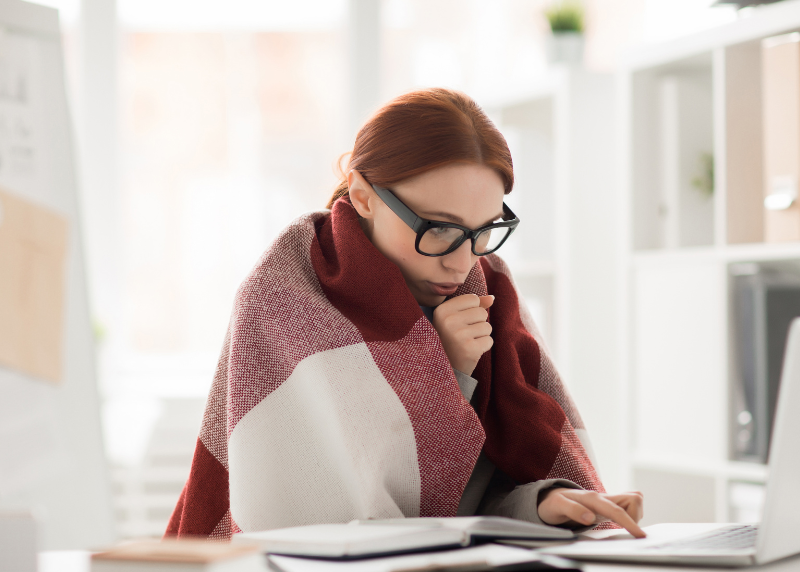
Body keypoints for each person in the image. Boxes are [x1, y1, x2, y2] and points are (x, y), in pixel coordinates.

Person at [166, 88, 644, 540]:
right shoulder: (284, 297)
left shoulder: (490, 288)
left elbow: (466, 507)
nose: (461, 262)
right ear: (364, 195)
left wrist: (546, 503)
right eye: (438, 229)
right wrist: (447, 368)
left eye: (484, 231)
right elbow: (345, 517)